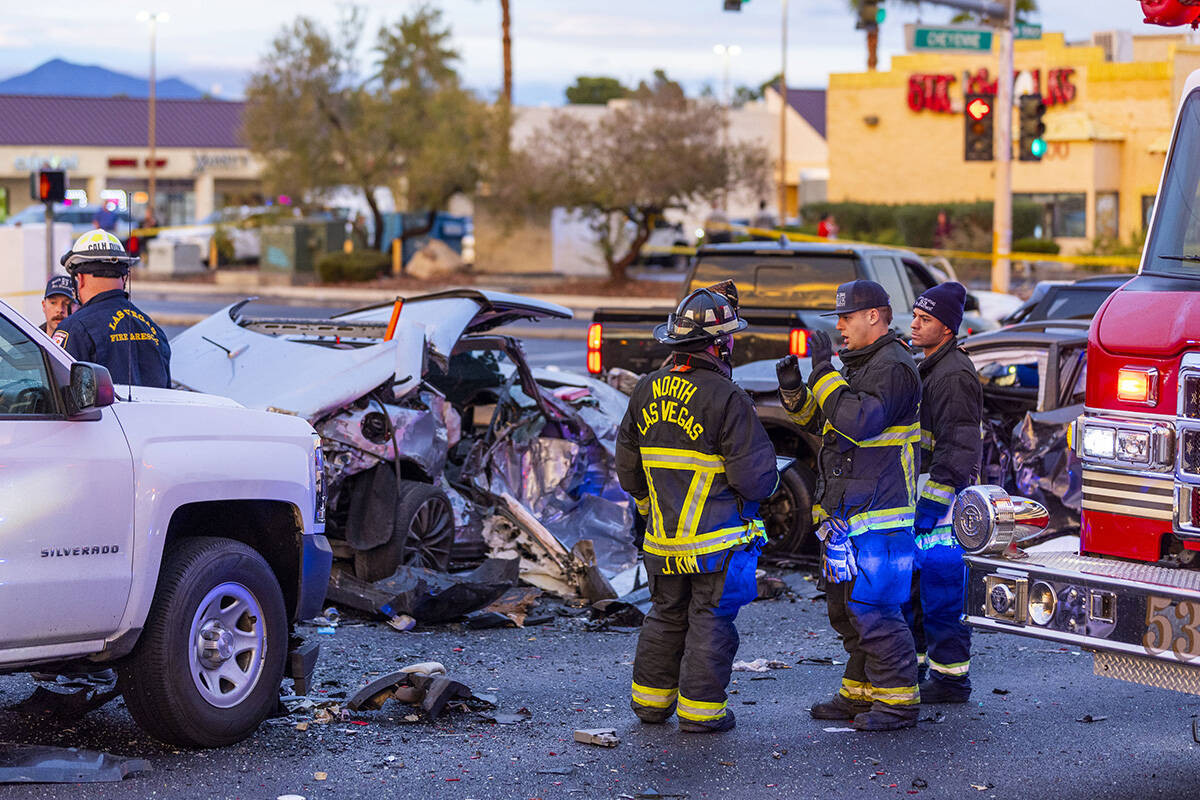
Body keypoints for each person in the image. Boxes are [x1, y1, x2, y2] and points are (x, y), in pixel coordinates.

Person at [616, 281, 779, 733]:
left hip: (662, 541)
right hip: (716, 542)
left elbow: (628, 470)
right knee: (711, 618)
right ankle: (701, 713)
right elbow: (756, 480)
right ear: (720, 343)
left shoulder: (645, 389)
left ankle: (650, 704)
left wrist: (651, 508)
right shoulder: (727, 398)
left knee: (666, 613)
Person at [775, 279, 922, 731]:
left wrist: (822, 370)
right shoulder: (860, 365)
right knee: (845, 610)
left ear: (874, 316)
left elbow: (858, 422)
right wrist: (795, 390)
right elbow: (823, 423)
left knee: (874, 610)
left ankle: (897, 703)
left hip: (881, 518)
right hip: (848, 518)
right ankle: (858, 693)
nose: (840, 326)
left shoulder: (893, 366)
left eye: (847, 317)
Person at [904, 282, 982, 704]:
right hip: (926, 502)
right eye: (915, 315)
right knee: (915, 597)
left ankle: (951, 681)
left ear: (947, 329)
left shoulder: (953, 375)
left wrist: (932, 506)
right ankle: (916, 671)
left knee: (943, 600)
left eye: (926, 319)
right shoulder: (932, 366)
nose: (915, 324)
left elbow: (958, 446)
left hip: (945, 512)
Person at [51, 230, 171, 389]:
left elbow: (59, 393)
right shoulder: (153, 329)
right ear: (124, 277)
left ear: (79, 279)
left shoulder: (74, 329)